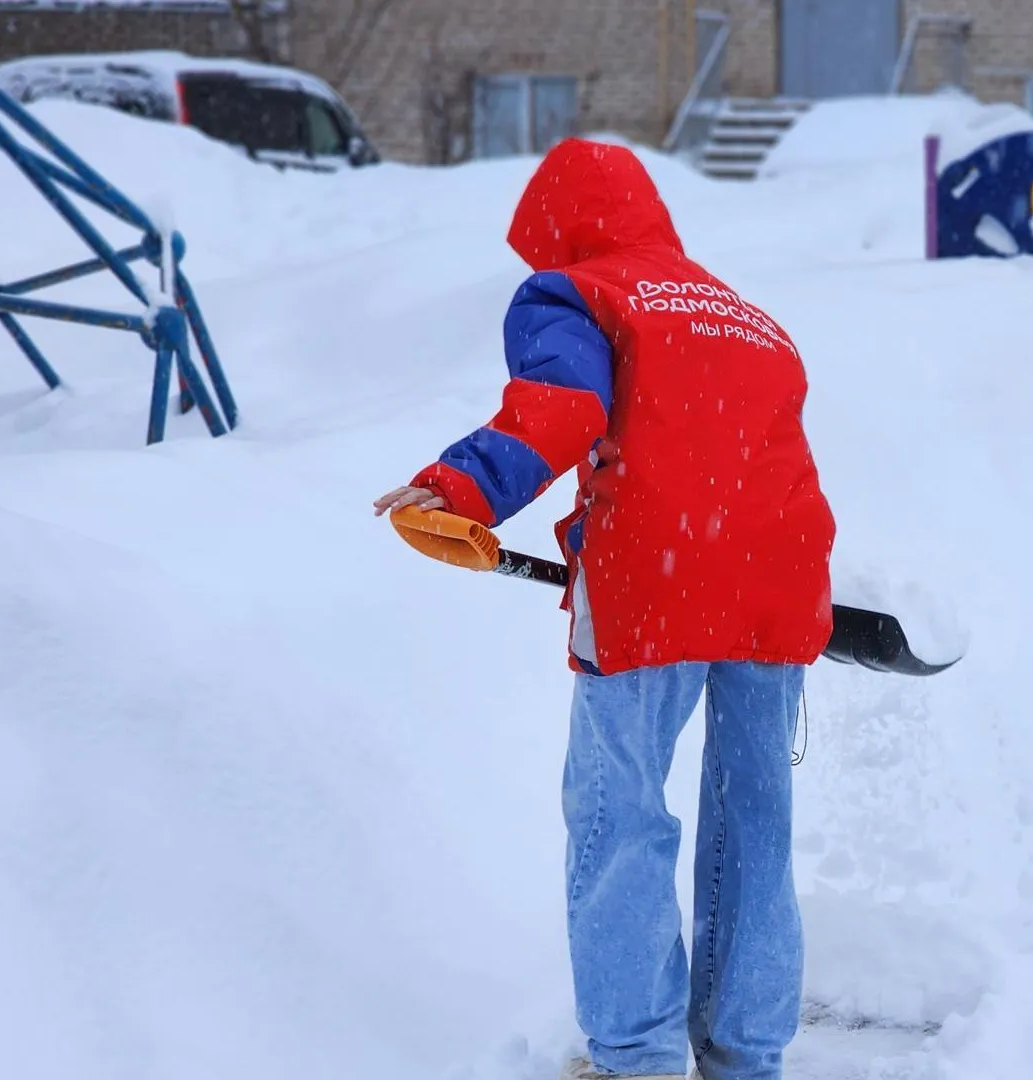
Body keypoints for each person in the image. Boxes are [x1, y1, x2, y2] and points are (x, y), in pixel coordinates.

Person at [373, 138, 835, 1080]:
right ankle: (747, 1054)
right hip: (780, 579)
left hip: (654, 589)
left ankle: (640, 1056)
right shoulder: (748, 315)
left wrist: (460, 488)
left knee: (618, 815)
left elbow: (561, 405)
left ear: (560, 234)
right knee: (755, 820)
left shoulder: (577, 293)